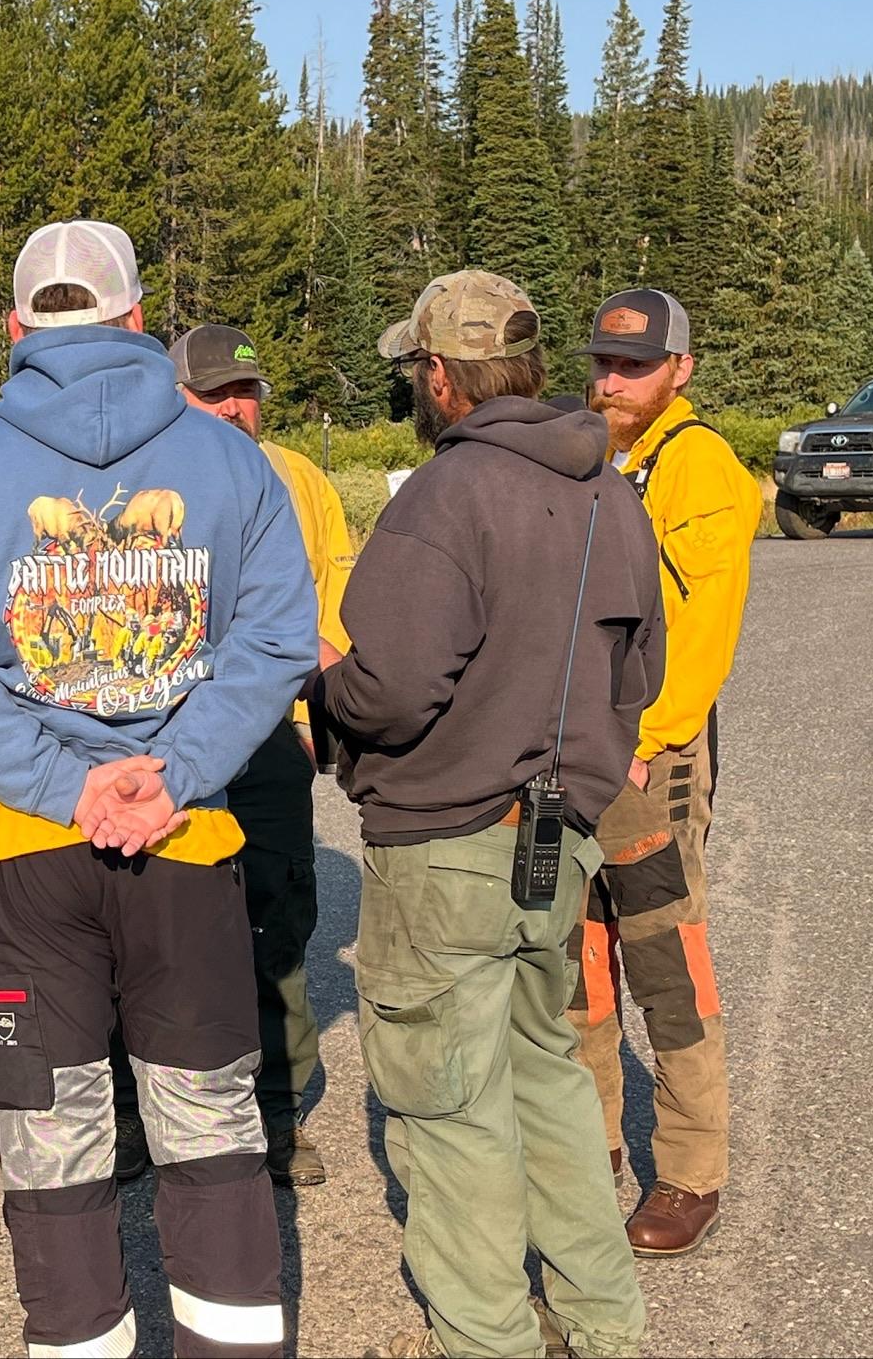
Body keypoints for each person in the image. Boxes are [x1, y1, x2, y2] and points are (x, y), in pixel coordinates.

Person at [0, 220, 315, 1358]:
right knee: (211, 1133)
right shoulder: (231, 459)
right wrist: (170, 772)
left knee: (51, 1143)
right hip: (185, 840)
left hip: (19, 849)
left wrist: (60, 784)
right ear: (137, 321)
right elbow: (279, 644)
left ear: (16, 328)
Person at [311, 270, 663, 1359]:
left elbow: (391, 689)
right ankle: (605, 1325)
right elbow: (635, 674)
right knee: (546, 1078)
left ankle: (485, 1339)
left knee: (446, 1109)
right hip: (556, 838)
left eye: (415, 369)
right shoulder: (611, 492)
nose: (414, 388)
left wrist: (320, 685)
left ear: (442, 377)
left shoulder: (446, 494)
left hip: (443, 841)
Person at [103, 322, 353, 1189]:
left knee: (278, 918)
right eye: (216, 394)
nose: (236, 408)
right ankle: (131, 1114)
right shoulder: (137, 477)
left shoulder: (301, 478)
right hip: (161, 733)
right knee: (142, 923)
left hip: (269, 732)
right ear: (175, 394)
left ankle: (276, 1113)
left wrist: (330, 710)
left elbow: (336, 600)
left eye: (246, 393)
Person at [568, 288, 762, 1256]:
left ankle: (689, 1169)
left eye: (632, 365)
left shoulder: (701, 468)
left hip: (648, 753)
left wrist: (645, 733)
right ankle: (589, 1145)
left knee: (661, 959)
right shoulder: (593, 455)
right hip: (572, 745)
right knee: (575, 956)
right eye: (601, 361)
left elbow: (701, 629)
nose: (611, 379)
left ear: (679, 369)